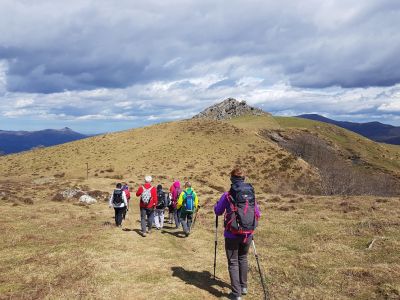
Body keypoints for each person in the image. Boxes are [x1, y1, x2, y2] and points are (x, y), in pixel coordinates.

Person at [214, 168, 261, 300]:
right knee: (243, 258)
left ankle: (236, 294)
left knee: (233, 262)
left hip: (231, 234)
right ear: (243, 179)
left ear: (232, 179)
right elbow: (258, 214)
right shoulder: (251, 196)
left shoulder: (227, 195)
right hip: (248, 233)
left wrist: (216, 206)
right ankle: (244, 287)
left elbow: (218, 211)